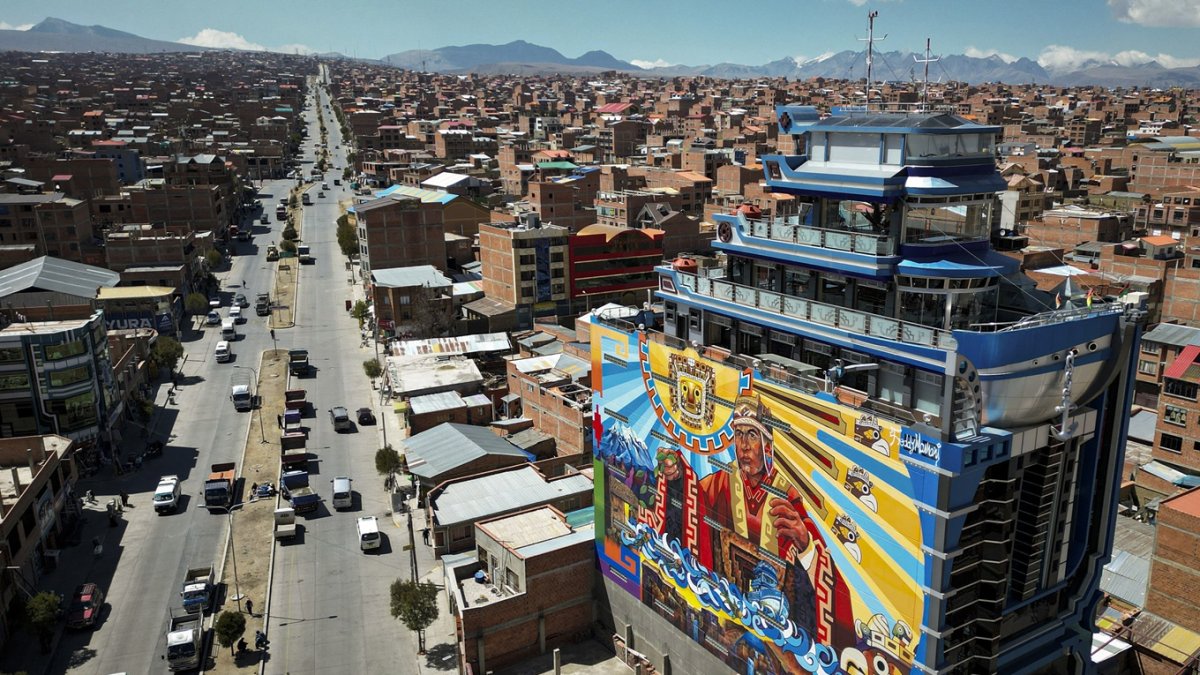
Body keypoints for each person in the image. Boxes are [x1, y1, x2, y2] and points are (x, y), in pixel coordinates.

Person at [699, 393, 855, 648]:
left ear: (767, 445)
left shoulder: (786, 496)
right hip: (729, 619)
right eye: (739, 435)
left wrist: (805, 545)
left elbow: (832, 584)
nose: (744, 445)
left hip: (775, 633)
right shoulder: (722, 483)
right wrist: (675, 475)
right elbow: (691, 501)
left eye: (752, 435)